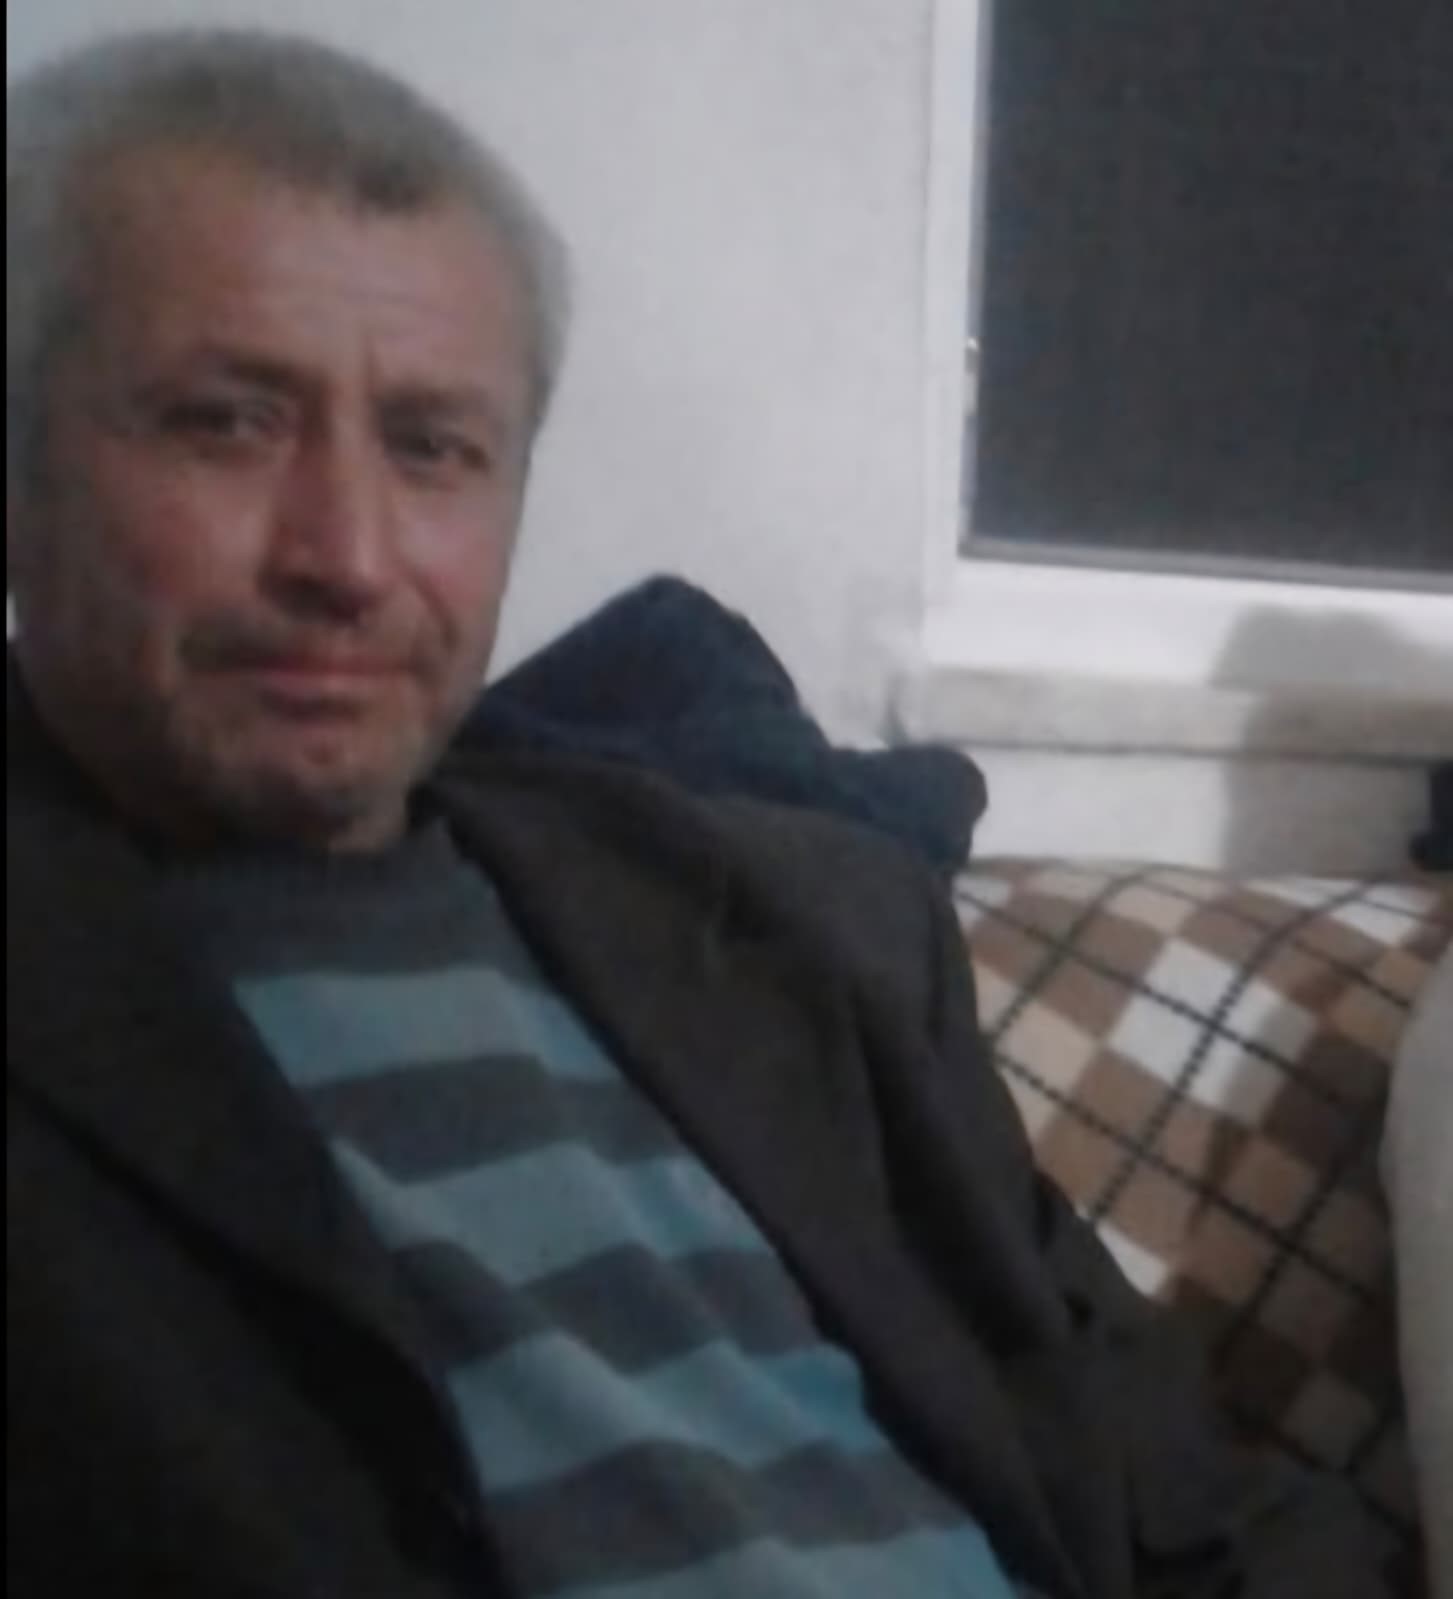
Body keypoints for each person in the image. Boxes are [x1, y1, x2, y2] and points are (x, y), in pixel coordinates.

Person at [6, 28, 1385, 1599]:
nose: (349, 556)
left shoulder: (794, 929)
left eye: (434, 448)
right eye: (227, 422)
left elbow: (1186, 1512)